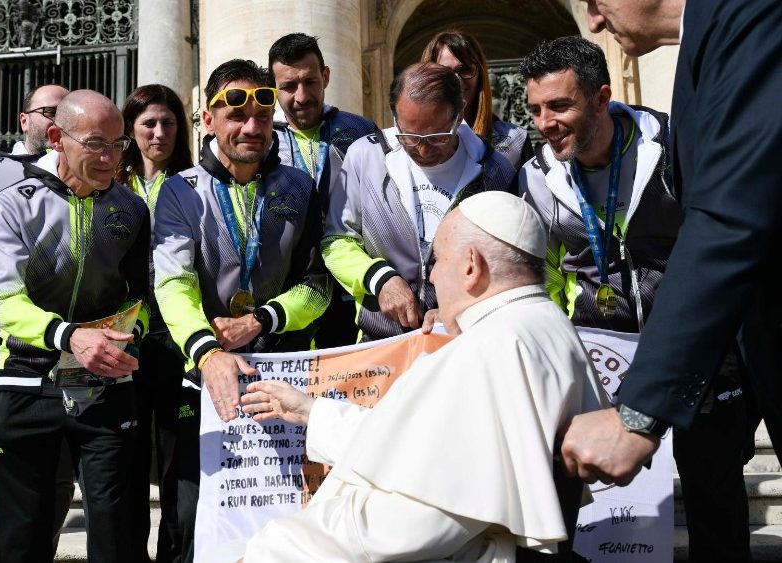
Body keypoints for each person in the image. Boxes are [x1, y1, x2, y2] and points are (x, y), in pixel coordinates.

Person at [234, 191, 605, 562]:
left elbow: (403, 529)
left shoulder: (484, 352)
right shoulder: (547, 325)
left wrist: (274, 545)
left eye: (439, 260)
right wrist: (312, 412)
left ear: (471, 266)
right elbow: (415, 447)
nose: (434, 276)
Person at [519, 35, 753, 562]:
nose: (544, 122)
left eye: (560, 105)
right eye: (535, 109)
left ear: (602, 98)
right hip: (600, 356)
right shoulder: (534, 176)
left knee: (712, 486)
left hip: (694, 353)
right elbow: (547, 269)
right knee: (585, 494)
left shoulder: (676, 147)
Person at [560, 0, 782, 498]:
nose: (592, 20)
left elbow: (730, 214)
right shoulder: (705, 43)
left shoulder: (754, 16)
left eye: (595, 2)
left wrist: (639, 412)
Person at [152, 59, 330, 563]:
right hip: (202, 376)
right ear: (208, 120)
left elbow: (317, 286)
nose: (251, 127)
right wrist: (207, 352)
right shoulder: (180, 190)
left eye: (262, 115)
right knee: (190, 519)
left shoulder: (297, 186)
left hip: (281, 374)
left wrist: (264, 318)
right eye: (236, 116)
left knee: (283, 520)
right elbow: (173, 285)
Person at [0, 89, 149, 562]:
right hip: (26, 384)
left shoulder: (131, 208)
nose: (109, 157)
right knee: (21, 542)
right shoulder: (14, 201)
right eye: (96, 143)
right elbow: (7, 301)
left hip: (104, 387)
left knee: (115, 539)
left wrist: (128, 331)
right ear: (56, 137)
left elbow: (140, 295)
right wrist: (70, 335)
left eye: (118, 145)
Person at [0, 82, 74, 563]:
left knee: (60, 467)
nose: (55, 121)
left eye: (64, 112)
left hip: (68, 349)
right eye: (47, 111)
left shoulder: (86, 174)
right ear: (24, 120)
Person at [323, 62, 517, 343]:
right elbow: (336, 241)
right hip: (382, 340)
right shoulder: (366, 156)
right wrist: (380, 280)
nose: (423, 149)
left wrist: (462, 306)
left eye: (437, 137)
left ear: (459, 115)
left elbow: (510, 261)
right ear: (395, 117)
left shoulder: (494, 169)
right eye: (410, 137)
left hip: (469, 339)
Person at [115, 83, 194, 563]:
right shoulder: (113, 184)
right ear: (130, 130)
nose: (159, 133)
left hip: (178, 335)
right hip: (124, 337)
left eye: (168, 123)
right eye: (148, 124)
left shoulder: (192, 182)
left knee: (178, 464)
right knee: (126, 462)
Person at [268, 33, 378, 349]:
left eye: (310, 82)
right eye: (289, 86)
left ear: (326, 76)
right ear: (274, 89)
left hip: (352, 286)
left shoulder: (361, 131)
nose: (302, 96)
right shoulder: (263, 142)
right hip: (290, 290)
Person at [421, 30, 533, 172]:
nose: (456, 79)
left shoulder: (515, 140)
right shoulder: (412, 142)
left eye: (465, 69)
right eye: (444, 72)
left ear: (480, 75)